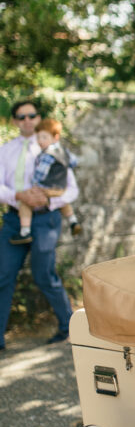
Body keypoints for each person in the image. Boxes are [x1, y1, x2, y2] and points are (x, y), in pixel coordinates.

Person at [0, 100, 78, 348]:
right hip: (14, 218)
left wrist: (45, 197)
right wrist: (18, 196)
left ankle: (68, 326)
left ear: (38, 118)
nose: (27, 121)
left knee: (44, 274)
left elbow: (71, 189)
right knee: (3, 275)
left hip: (45, 219)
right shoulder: (5, 150)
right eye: (21, 117)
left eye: (31, 116)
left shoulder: (52, 148)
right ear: (14, 121)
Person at [11, 118, 81, 244]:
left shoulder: (47, 154)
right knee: (63, 203)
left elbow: (40, 173)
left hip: (47, 187)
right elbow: (74, 161)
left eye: (44, 137)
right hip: (60, 188)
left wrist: (34, 186)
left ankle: (25, 232)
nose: (40, 141)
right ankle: (73, 221)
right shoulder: (64, 151)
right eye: (38, 138)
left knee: (25, 203)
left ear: (55, 138)